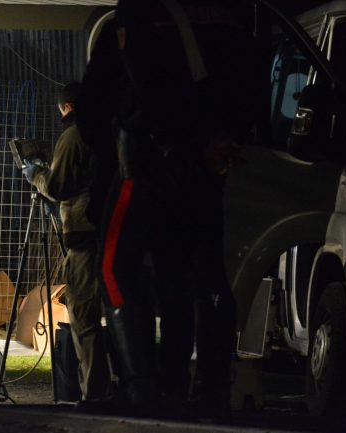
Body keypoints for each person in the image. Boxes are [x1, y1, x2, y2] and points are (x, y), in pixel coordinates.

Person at [77, 0, 261, 421]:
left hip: (143, 160)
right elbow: (251, 86)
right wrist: (220, 139)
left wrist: (116, 149)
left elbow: (105, 100)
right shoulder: (231, 18)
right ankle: (204, 389)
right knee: (194, 274)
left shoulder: (138, 16)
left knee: (114, 269)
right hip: (207, 167)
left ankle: (139, 387)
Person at [22, 82, 111, 403]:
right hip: (110, 233)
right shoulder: (109, 131)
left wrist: (35, 174)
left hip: (85, 236)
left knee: (84, 314)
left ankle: (94, 396)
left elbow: (59, 186)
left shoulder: (75, 135)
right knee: (115, 313)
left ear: (68, 108)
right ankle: (121, 388)